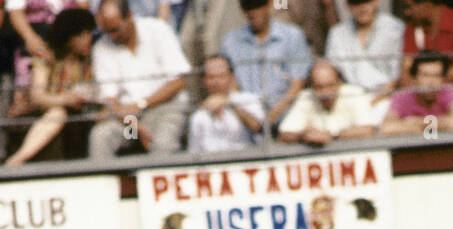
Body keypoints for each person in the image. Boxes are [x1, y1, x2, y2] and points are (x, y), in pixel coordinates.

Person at [89, 0, 190, 157]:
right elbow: (110, 101)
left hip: (166, 109)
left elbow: (179, 81)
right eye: (107, 31)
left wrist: (140, 105)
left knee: (162, 145)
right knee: (101, 136)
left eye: (115, 29)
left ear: (129, 16)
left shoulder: (157, 29)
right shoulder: (102, 47)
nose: (112, 36)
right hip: (129, 121)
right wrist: (136, 126)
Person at [4, 3, 95, 163]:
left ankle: (131, 160)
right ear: (69, 38)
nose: (89, 39)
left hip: (86, 119)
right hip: (37, 117)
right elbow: (37, 98)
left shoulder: (90, 60)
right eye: (83, 35)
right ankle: (16, 161)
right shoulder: (45, 57)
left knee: (116, 123)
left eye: (89, 33)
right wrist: (66, 99)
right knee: (58, 114)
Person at [220, 0, 311, 131]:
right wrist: (248, 116)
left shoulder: (292, 35)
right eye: (248, 6)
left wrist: (272, 117)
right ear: (242, 9)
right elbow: (230, 84)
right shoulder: (230, 41)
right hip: (246, 119)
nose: (254, 11)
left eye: (259, 4)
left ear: (270, 4)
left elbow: (298, 84)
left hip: (287, 115)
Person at [277, 56, 377, 141]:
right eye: (319, 87)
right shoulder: (306, 97)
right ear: (312, 87)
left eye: (330, 86)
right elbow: (284, 134)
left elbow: (368, 129)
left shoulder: (354, 93)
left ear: (340, 83)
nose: (326, 93)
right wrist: (303, 135)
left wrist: (332, 136)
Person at [325, 0, 404, 104]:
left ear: (376, 1)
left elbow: (397, 76)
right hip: (349, 98)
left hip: (387, 98)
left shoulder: (395, 28)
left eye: (366, 1)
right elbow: (333, 73)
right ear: (348, 5)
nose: (362, 8)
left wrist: (372, 102)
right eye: (356, 3)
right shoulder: (337, 33)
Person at [186, 52, 264, 155]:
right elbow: (194, 152)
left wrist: (229, 103)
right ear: (204, 81)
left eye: (222, 76)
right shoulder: (198, 115)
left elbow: (257, 127)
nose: (217, 82)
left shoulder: (248, 100)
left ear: (232, 77)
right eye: (211, 77)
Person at [379, 48, 453, 132]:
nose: (431, 82)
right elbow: (386, 128)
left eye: (437, 76)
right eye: (425, 75)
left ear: (443, 79)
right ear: (415, 78)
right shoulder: (402, 96)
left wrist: (418, 122)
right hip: (415, 141)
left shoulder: (452, 92)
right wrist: (421, 129)